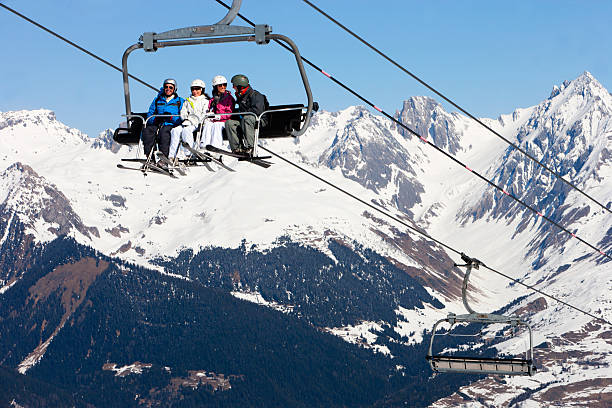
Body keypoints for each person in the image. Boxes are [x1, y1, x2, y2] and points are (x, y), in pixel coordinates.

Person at [142, 78, 184, 164]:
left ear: (174, 89)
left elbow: (183, 116)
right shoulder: (157, 100)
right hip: (158, 123)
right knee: (147, 131)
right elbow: (150, 114)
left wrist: (172, 118)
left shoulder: (180, 101)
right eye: (166, 87)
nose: (168, 89)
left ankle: (164, 158)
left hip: (171, 124)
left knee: (164, 132)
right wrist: (156, 118)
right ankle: (150, 157)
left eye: (170, 87)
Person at [225, 74, 268, 155]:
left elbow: (258, 110)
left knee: (247, 118)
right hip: (246, 121)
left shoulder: (255, 95)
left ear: (240, 86)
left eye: (234, 86)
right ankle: (237, 148)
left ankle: (251, 148)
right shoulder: (241, 96)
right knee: (229, 123)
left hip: (259, 120)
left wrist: (243, 114)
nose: (233, 87)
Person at [169, 79, 210, 160]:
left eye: (197, 89)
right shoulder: (188, 100)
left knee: (187, 130)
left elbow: (204, 114)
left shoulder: (205, 101)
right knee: (175, 130)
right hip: (187, 122)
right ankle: (172, 155)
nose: (195, 91)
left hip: (198, 123)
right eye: (193, 89)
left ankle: (188, 153)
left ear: (202, 89)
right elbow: (183, 112)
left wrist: (193, 120)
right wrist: (186, 118)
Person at [200, 75, 235, 153]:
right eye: (220, 85)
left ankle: (216, 146)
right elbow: (208, 109)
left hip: (225, 121)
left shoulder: (229, 98)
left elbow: (229, 113)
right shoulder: (212, 99)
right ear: (215, 87)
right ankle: (204, 145)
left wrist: (218, 117)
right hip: (215, 120)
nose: (223, 87)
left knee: (217, 125)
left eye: (224, 85)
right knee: (208, 124)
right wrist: (209, 115)